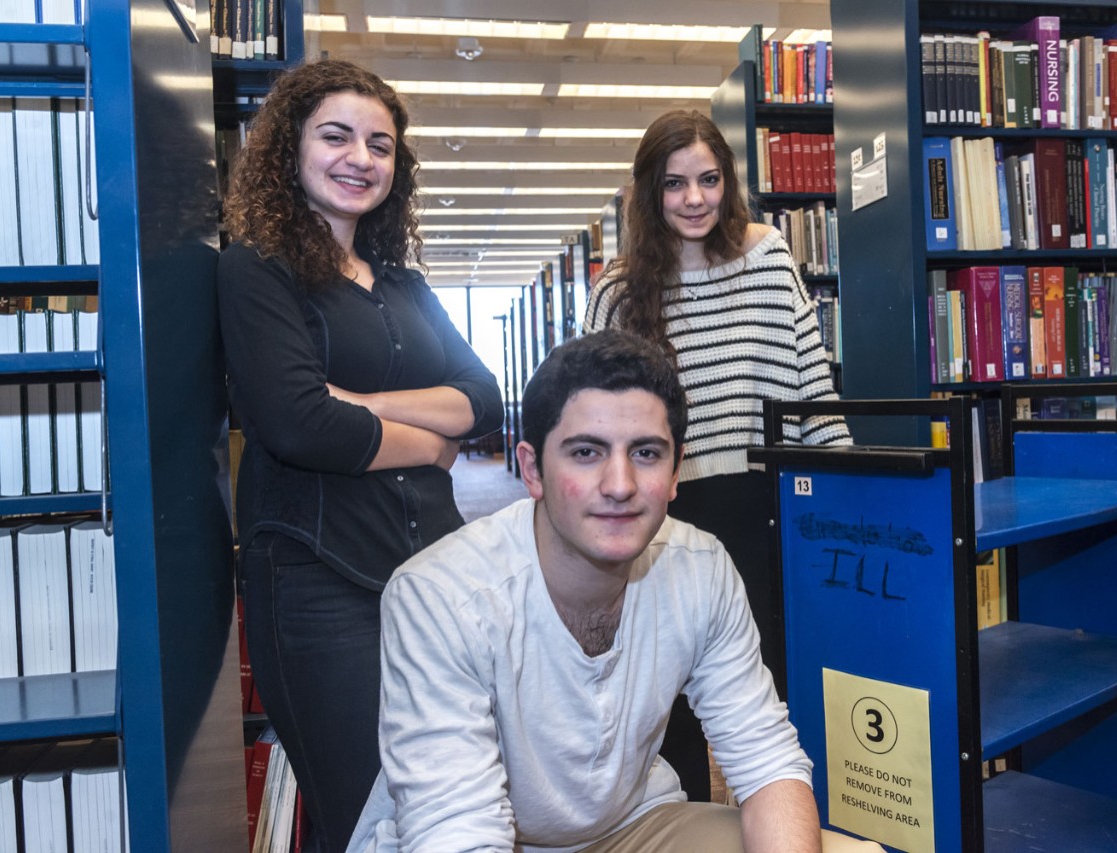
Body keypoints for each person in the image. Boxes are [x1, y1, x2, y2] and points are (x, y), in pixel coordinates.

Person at [347, 330, 880, 853]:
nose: (620, 485)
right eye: (586, 452)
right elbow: (457, 831)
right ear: (532, 469)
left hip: (633, 826)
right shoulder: (440, 596)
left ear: (676, 472)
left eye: (646, 453)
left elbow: (766, 761)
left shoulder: (700, 568)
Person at [217, 59, 502, 852]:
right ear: (289, 150)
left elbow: (484, 399)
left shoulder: (404, 284)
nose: (360, 158)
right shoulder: (255, 269)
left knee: (442, 797)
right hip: (319, 581)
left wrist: (363, 404)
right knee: (362, 813)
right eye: (336, 136)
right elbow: (301, 424)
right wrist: (429, 439)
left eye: (380, 144)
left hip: (432, 576)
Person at [582, 109, 852, 799]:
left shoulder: (768, 257)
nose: (695, 199)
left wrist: (851, 491)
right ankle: (679, 830)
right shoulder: (617, 290)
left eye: (708, 179)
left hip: (761, 508)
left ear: (729, 182)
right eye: (675, 184)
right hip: (660, 520)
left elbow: (811, 385)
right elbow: (590, 415)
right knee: (661, 703)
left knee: (766, 697)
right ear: (649, 192)